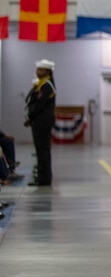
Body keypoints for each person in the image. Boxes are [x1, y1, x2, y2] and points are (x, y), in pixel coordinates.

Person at [24, 59, 57, 187]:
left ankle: (44, 179)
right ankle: (43, 177)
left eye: (40, 70)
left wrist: (30, 118)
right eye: (37, 69)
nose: (38, 72)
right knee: (40, 151)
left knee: (43, 151)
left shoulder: (46, 86)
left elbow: (39, 105)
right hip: (39, 122)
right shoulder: (41, 84)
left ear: (47, 71)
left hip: (42, 122)